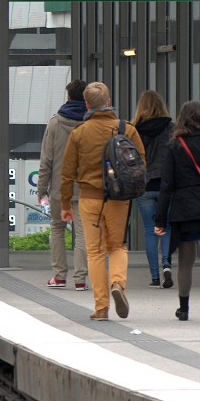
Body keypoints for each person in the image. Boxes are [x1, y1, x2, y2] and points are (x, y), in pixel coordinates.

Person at [60, 81, 144, 320]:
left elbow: (67, 173)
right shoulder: (127, 130)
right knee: (117, 246)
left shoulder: (79, 133)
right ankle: (118, 283)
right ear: (108, 102)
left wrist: (66, 204)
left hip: (89, 198)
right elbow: (141, 164)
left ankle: (101, 307)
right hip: (119, 199)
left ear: (87, 104)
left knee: (95, 252)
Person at [154, 101, 200, 321]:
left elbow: (166, 185)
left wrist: (160, 218)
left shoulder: (175, 145)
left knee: (185, 261)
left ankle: (184, 309)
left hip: (184, 208)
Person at [37, 79, 89, 290]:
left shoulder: (55, 123)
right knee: (83, 233)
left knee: (57, 228)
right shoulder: (91, 124)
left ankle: (59, 276)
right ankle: (80, 279)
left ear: (67, 97)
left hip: (59, 188)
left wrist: (41, 190)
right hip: (85, 188)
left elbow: (46, 160)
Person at [132, 90, 173, 288]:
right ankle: (167, 264)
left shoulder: (135, 130)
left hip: (145, 185)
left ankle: (155, 277)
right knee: (165, 227)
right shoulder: (171, 127)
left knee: (150, 231)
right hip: (166, 185)